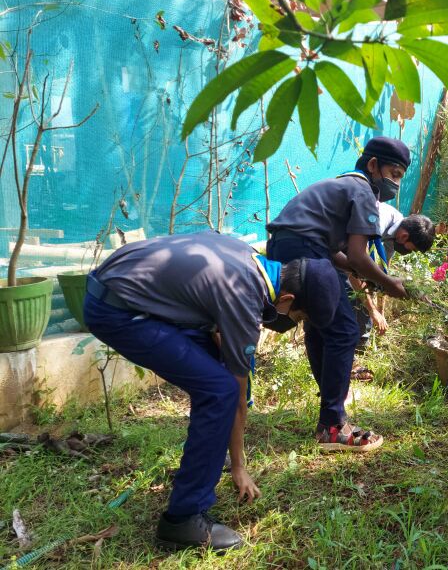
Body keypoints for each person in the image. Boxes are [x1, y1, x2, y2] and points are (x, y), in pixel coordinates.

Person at [83, 230, 341, 550]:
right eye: (298, 316)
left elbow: (217, 328)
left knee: (218, 375)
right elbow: (236, 397)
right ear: (287, 300)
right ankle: (184, 518)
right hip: (118, 310)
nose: (292, 321)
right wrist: (239, 467)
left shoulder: (247, 255)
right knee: (220, 391)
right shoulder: (245, 297)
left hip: (119, 286)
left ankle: (202, 466)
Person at [267, 136, 411, 452]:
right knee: (345, 331)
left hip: (286, 249)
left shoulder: (341, 186)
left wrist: (363, 274)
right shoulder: (362, 192)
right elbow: (359, 256)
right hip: (306, 252)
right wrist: (389, 282)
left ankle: (331, 409)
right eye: (394, 174)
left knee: (321, 327)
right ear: (373, 165)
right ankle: (332, 425)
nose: (396, 184)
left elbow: (338, 255)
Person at [349, 206, 436, 381]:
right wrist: (372, 310)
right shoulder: (378, 221)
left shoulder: (393, 237)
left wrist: (380, 310)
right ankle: (348, 366)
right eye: (412, 249)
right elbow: (354, 269)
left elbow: (381, 275)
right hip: (330, 251)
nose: (409, 252)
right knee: (350, 302)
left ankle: (354, 355)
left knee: (364, 307)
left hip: (349, 260)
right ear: (404, 237)